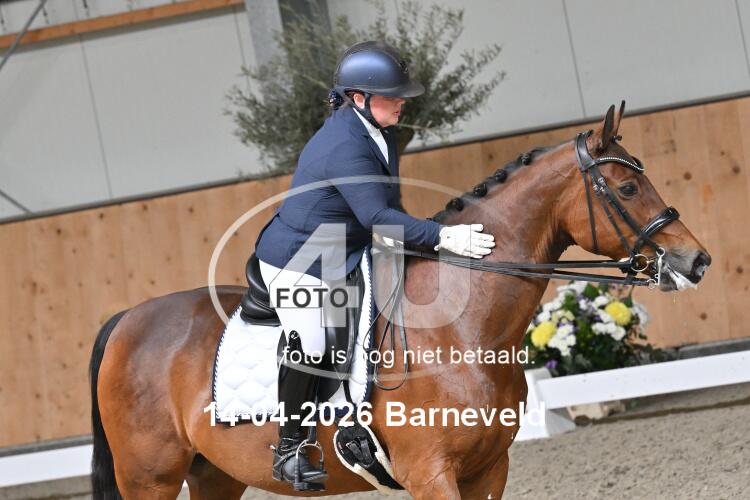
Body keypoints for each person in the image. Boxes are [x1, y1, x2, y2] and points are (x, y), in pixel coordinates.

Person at [253, 40, 495, 490]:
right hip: (302, 257)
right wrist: (442, 236)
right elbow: (377, 217)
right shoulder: (344, 145)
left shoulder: (380, 132)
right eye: (392, 95)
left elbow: (388, 209)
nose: (402, 102)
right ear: (358, 97)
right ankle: (290, 448)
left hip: (348, 246)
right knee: (313, 337)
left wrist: (424, 243)